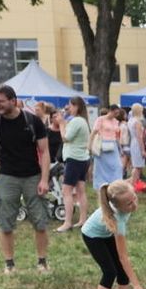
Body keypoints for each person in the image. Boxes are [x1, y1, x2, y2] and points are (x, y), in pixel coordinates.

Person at [0, 85, 51, 275]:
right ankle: (9, 265)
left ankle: (42, 262)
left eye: (0, 101)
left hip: (33, 176)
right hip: (7, 177)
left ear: (13, 100)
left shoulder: (32, 121)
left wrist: (44, 179)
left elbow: (45, 151)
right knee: (5, 222)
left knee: (40, 221)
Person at [81, 180, 144, 289]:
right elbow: (123, 257)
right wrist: (136, 285)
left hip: (107, 232)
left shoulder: (122, 205)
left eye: (134, 197)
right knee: (110, 272)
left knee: (121, 271)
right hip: (92, 236)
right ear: (118, 206)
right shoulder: (118, 219)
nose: (134, 204)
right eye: (129, 203)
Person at [57, 96, 92, 232]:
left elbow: (66, 138)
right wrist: (64, 121)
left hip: (74, 159)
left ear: (76, 106)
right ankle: (82, 220)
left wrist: (60, 123)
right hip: (82, 159)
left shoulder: (76, 121)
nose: (68, 108)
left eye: (70, 105)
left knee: (67, 191)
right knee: (81, 191)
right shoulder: (82, 121)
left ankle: (67, 222)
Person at [90, 105, 123, 192]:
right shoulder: (101, 119)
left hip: (113, 145)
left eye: (117, 113)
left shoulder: (116, 121)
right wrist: (89, 145)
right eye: (115, 113)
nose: (116, 115)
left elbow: (117, 136)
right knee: (101, 167)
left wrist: (120, 147)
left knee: (118, 166)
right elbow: (94, 132)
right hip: (102, 144)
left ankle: (116, 185)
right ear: (110, 111)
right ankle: (101, 185)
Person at [127, 103, 146, 186]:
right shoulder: (137, 122)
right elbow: (139, 137)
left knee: (136, 165)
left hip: (133, 142)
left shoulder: (130, 120)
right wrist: (143, 150)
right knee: (138, 166)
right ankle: (133, 184)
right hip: (137, 143)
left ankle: (134, 183)